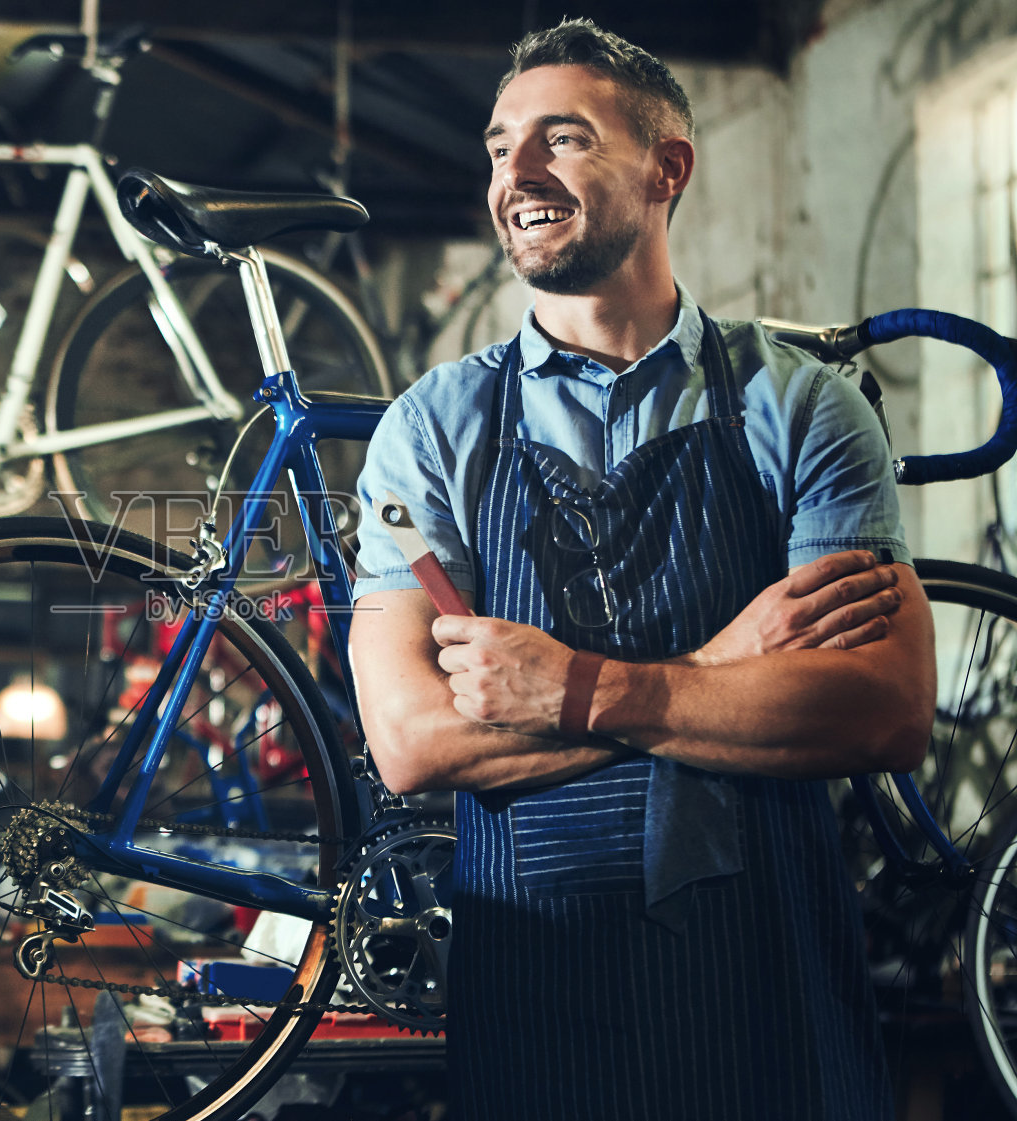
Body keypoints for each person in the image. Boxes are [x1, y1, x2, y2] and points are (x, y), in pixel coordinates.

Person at [349, 18, 934, 1121]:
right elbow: (415, 741)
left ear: (668, 167)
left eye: (561, 139)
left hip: (770, 1019)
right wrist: (722, 667)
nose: (513, 174)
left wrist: (570, 688)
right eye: (496, 146)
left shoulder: (804, 407)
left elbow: (882, 711)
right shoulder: (431, 430)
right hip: (536, 1022)